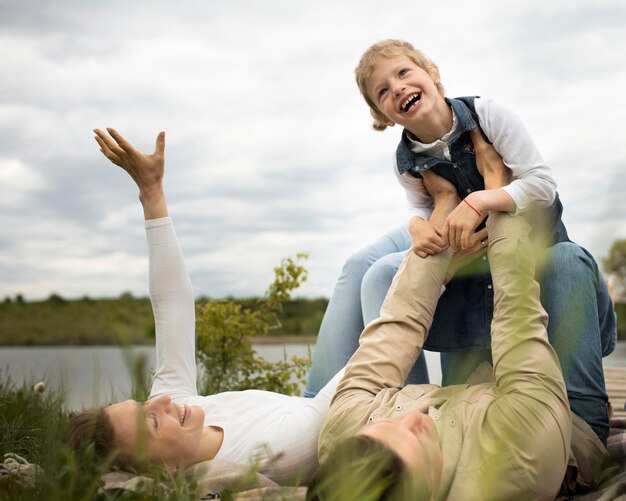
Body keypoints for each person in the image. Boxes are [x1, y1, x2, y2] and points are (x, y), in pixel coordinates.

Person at [305, 39, 616, 445]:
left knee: (567, 260)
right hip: (472, 266)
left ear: (432, 73)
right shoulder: (408, 162)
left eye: (403, 73)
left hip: (529, 249)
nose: (396, 87)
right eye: (382, 91)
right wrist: (419, 226)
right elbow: (421, 206)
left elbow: (541, 184)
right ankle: (397, 409)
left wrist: (482, 199)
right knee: (380, 270)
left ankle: (583, 417)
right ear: (382, 115)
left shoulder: (488, 115)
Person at [67, 128, 345, 485]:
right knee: (381, 281)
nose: (161, 402)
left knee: (359, 268)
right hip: (344, 405)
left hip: (311, 399)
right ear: (163, 470)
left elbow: (173, 306)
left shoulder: (179, 410)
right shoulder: (272, 452)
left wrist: (152, 192)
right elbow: (371, 362)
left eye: (144, 405)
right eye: (151, 421)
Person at [310, 177, 578, 500]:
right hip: (555, 412)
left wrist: (444, 211)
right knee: (567, 264)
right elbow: (517, 310)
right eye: (419, 434)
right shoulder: (518, 457)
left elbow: (395, 327)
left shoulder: (342, 439)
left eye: (385, 425)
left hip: (469, 394)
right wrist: (496, 192)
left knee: (376, 272)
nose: (412, 415)